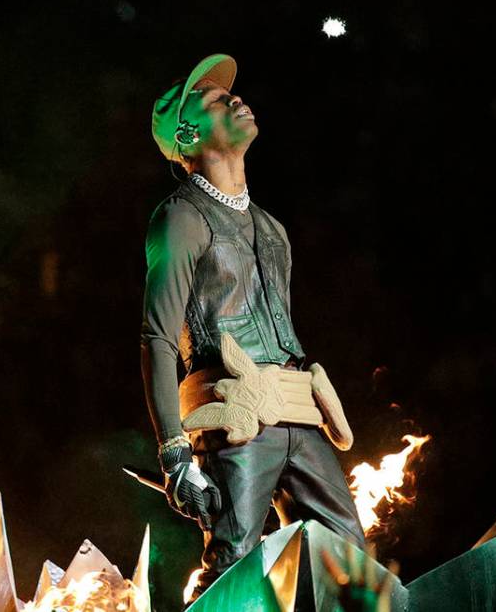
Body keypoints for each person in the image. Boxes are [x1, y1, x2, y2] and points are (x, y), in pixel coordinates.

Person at [140, 53, 365, 603]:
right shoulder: (182, 217)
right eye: (217, 100)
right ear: (189, 131)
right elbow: (157, 338)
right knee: (235, 563)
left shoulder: (273, 229)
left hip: (299, 413)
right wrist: (175, 451)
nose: (236, 98)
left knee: (351, 562)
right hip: (234, 418)